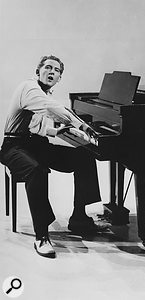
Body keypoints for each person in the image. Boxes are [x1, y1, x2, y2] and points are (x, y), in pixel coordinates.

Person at [0, 55, 108, 258]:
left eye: (57, 70)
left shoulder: (43, 94)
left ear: (59, 78)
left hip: (35, 145)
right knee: (37, 171)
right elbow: (51, 109)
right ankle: (41, 236)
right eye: (48, 67)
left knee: (83, 157)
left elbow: (37, 124)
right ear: (37, 71)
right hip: (13, 147)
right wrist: (81, 125)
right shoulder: (29, 87)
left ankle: (79, 219)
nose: (52, 72)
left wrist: (58, 132)